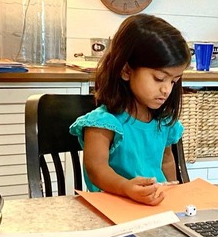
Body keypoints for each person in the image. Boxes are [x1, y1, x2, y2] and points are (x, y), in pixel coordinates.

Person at [69, 14, 191, 206]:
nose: (167, 89)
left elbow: (166, 160)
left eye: (174, 81)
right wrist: (126, 188)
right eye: (159, 78)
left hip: (153, 210)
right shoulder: (103, 122)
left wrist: (173, 193)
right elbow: (96, 169)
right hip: (114, 210)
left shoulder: (163, 122)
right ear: (126, 70)